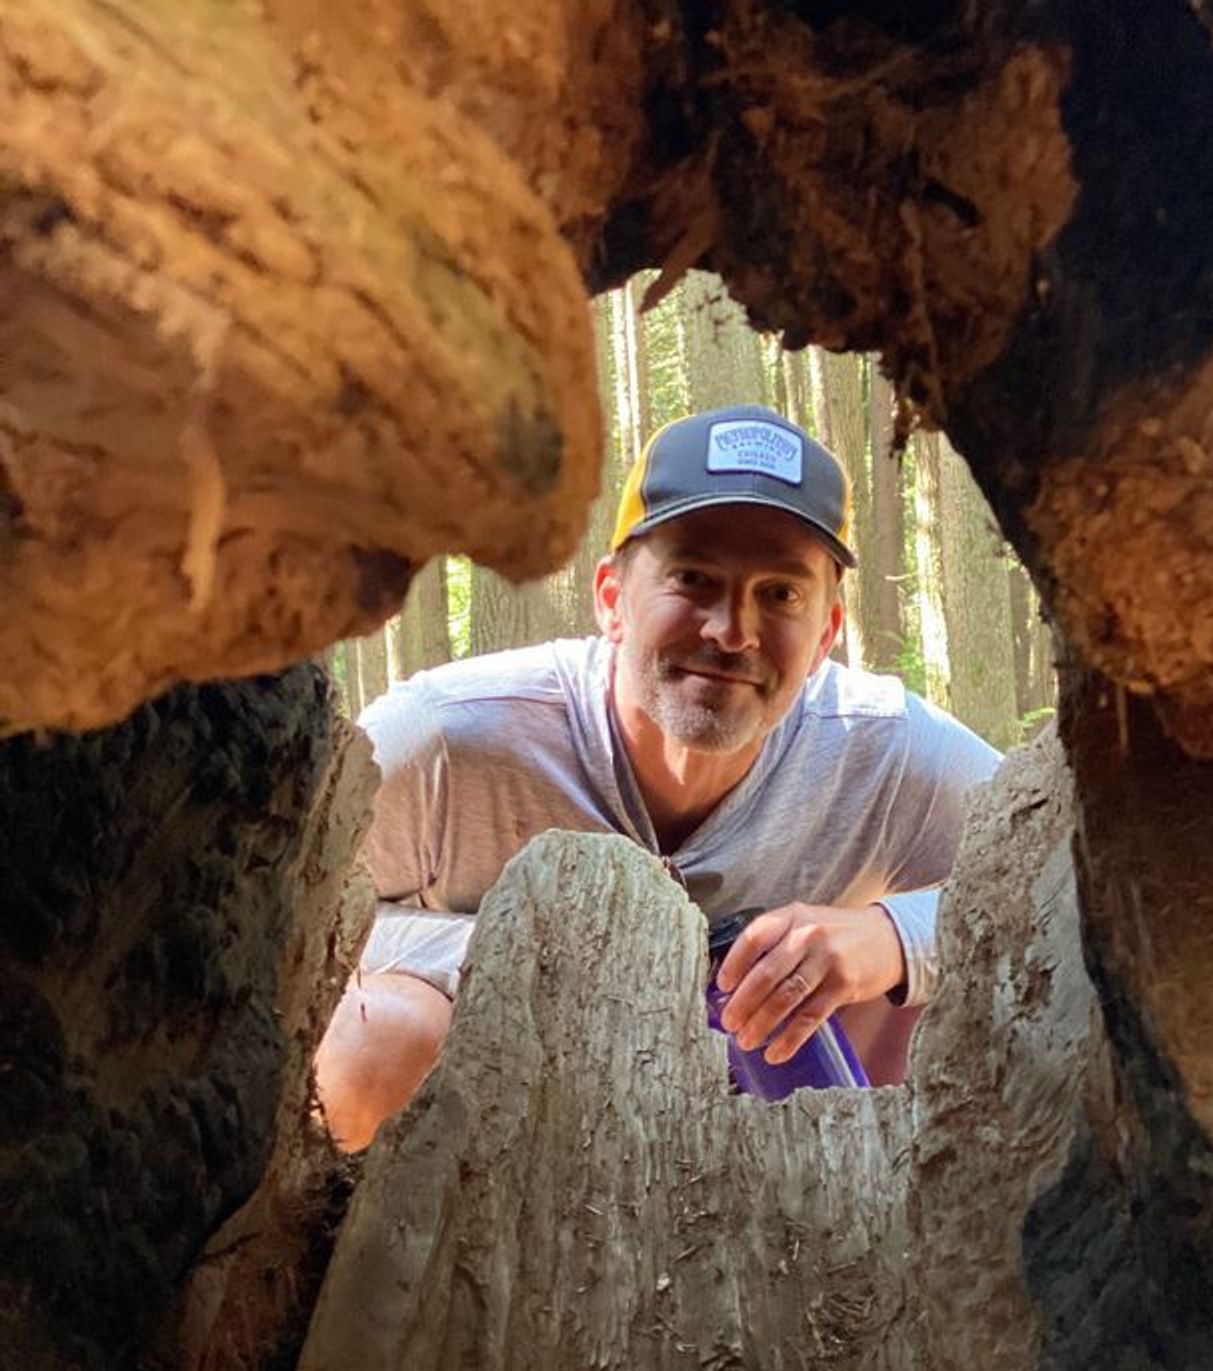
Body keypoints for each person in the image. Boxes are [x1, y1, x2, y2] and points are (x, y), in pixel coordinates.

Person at [317, 404, 1001, 1148]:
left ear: (828, 632)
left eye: (781, 594)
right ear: (612, 599)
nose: (731, 631)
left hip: (779, 1142)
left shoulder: (882, 749)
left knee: (944, 999)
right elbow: (284, 922)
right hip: (508, 1138)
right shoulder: (455, 736)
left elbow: (1072, 872)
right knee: (371, 1043)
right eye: (694, 578)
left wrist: (891, 940)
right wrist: (525, 958)